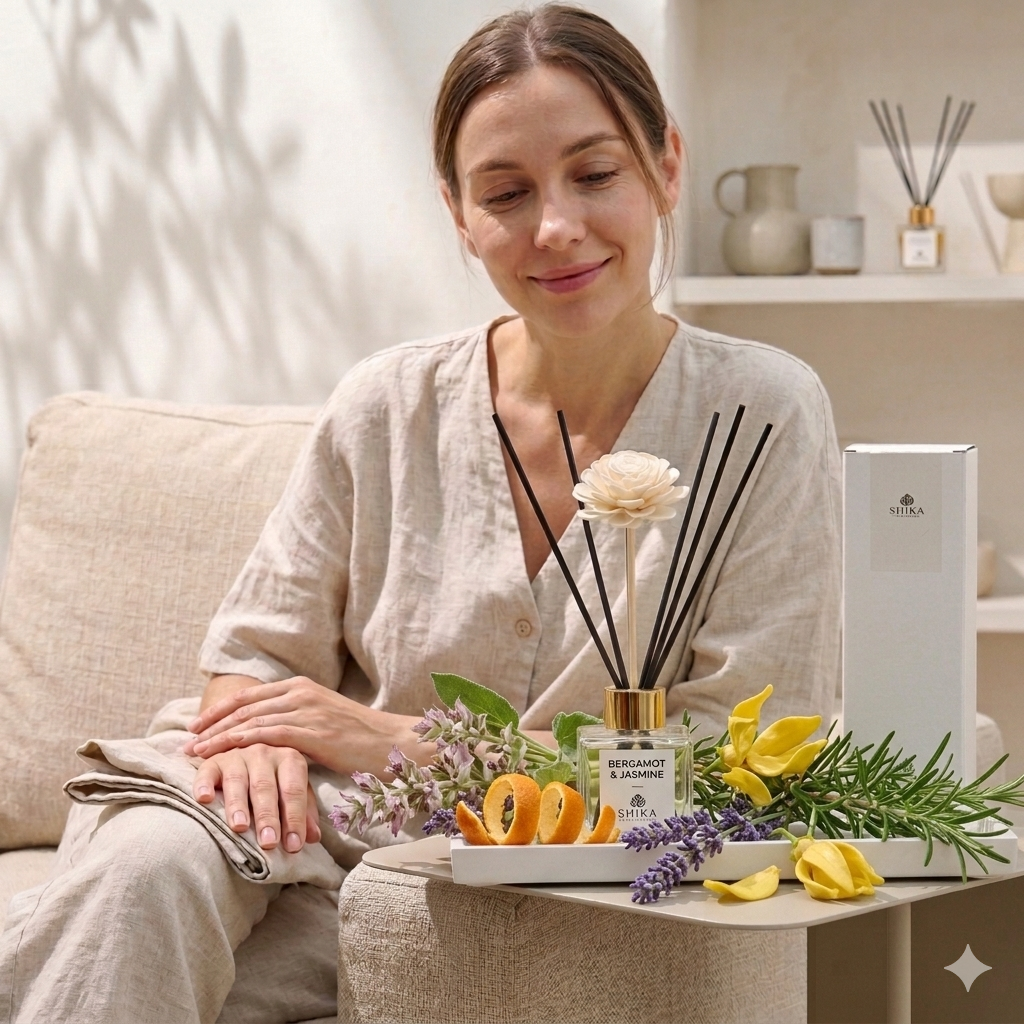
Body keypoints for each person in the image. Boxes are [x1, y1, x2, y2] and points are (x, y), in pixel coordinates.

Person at [0, 5, 840, 1022]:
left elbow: (728, 758)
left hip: (474, 877)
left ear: (667, 165)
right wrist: (256, 734)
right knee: (143, 878)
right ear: (457, 213)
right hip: (283, 829)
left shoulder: (762, 414)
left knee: (116, 961)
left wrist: (394, 741)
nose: (555, 227)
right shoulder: (385, 405)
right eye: (505, 192)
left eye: (595, 173)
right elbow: (255, 657)